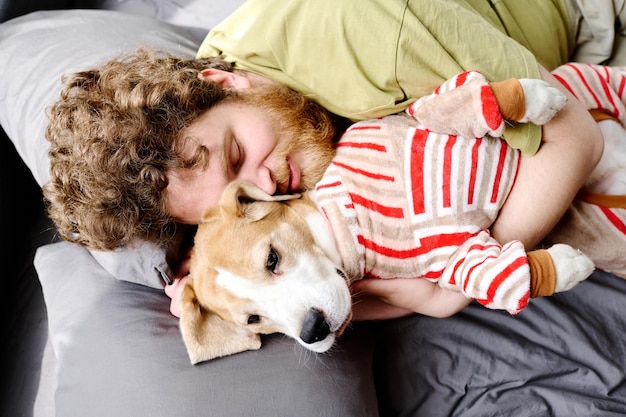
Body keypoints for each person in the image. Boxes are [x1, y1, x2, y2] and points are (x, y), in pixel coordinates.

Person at [44, 0, 607, 320]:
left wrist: (458, 280)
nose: (265, 184)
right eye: (234, 194)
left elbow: (577, 135)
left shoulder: (374, 36)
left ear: (223, 81)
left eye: (238, 152)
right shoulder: (220, 126)